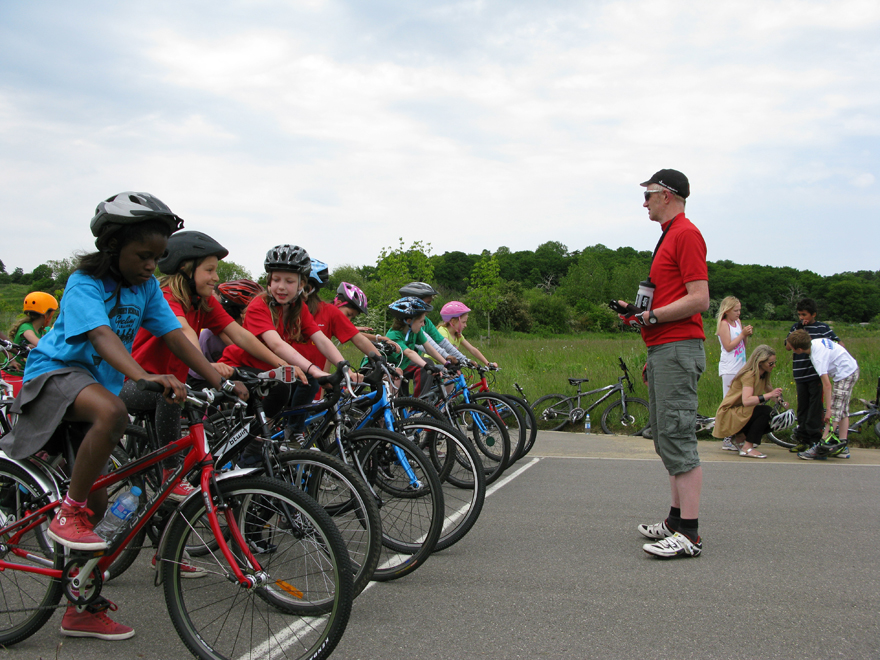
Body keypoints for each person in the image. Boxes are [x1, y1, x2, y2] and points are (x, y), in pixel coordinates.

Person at [0, 192, 235, 640]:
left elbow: (174, 335)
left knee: (101, 511)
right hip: (54, 376)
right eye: (142, 255)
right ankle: (66, 512)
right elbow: (101, 335)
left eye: (157, 257)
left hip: (94, 388)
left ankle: (80, 608)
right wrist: (141, 375)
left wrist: (220, 380)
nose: (151, 265)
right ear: (112, 247)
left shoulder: (145, 288)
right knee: (114, 411)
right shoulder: (83, 284)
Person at [121, 231, 275, 505]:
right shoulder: (166, 296)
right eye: (209, 270)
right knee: (171, 391)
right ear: (186, 268)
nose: (216, 277)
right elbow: (184, 334)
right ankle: (171, 474)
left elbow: (240, 335)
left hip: (173, 382)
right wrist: (212, 372)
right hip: (137, 382)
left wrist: (282, 364)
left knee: (191, 409)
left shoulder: (203, 301)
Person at [616, 169, 709, 560]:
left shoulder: (686, 234)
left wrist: (651, 317)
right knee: (665, 438)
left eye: (649, 194)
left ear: (667, 195)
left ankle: (689, 534)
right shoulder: (669, 235)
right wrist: (639, 314)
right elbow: (667, 296)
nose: (645, 203)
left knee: (678, 435)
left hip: (677, 346)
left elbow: (700, 298)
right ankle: (675, 521)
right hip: (664, 349)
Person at [219, 245, 351, 443]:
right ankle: (254, 447)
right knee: (286, 387)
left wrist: (342, 365)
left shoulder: (298, 307)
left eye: (289, 281)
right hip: (241, 366)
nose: (281, 286)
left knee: (307, 380)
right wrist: (314, 369)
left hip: (268, 369)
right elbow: (276, 344)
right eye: (276, 280)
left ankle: (292, 431)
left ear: (301, 284)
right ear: (269, 281)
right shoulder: (259, 305)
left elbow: (321, 339)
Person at [786, 328, 859, 460]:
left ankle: (821, 446)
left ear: (799, 350)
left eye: (792, 348)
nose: (791, 349)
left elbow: (827, 385)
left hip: (845, 374)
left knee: (834, 413)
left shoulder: (817, 358)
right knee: (843, 411)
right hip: (850, 368)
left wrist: (829, 409)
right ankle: (842, 446)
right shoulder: (815, 342)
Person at [785, 298, 841, 454]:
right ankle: (802, 439)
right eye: (799, 314)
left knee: (815, 407)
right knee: (802, 407)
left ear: (813, 314)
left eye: (804, 314)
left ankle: (815, 439)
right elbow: (788, 347)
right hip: (800, 373)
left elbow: (837, 343)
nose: (802, 317)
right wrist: (797, 330)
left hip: (816, 374)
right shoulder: (796, 327)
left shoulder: (822, 328)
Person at [187, 278, 265, 386]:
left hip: (224, 375)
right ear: (239, 310)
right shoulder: (213, 333)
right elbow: (240, 346)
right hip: (200, 379)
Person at [712, 345, 785, 458]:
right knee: (765, 411)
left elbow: (770, 391)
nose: (774, 366)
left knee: (774, 417)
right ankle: (747, 447)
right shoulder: (749, 375)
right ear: (760, 362)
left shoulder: (763, 375)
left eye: (774, 363)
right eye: (771, 363)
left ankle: (740, 437)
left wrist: (781, 401)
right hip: (729, 414)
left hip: (741, 412)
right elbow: (746, 400)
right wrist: (770, 395)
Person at [385, 297, 447, 396]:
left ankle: (420, 401)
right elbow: (409, 353)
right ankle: (419, 402)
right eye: (421, 321)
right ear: (409, 321)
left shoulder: (415, 331)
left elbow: (429, 348)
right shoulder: (394, 335)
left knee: (403, 401)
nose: (423, 324)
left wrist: (446, 363)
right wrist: (426, 366)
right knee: (425, 365)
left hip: (402, 365)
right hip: (389, 367)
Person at [715, 296, 753, 451]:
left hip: (740, 366)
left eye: (739, 310)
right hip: (729, 368)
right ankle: (727, 437)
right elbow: (728, 346)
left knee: (740, 402)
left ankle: (738, 435)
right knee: (729, 402)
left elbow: (743, 344)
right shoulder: (724, 324)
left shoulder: (737, 322)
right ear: (727, 310)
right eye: (736, 310)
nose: (738, 313)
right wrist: (742, 334)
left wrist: (745, 335)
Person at [397, 282, 468, 365]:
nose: (430, 306)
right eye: (428, 302)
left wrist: (465, 360)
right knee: (431, 364)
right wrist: (447, 357)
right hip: (401, 364)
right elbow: (429, 346)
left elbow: (442, 342)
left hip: (412, 363)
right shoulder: (408, 326)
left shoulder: (426, 322)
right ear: (414, 302)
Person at [4, 292, 59, 376]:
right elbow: (40, 344)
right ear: (46, 314)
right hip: (13, 373)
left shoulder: (43, 330)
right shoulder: (26, 327)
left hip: (29, 373)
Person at [437, 301, 497, 368]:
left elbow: (472, 349)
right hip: (435, 364)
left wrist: (488, 363)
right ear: (453, 321)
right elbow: (448, 348)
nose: (465, 325)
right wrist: (465, 360)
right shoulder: (442, 331)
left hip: (448, 365)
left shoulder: (458, 335)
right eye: (463, 322)